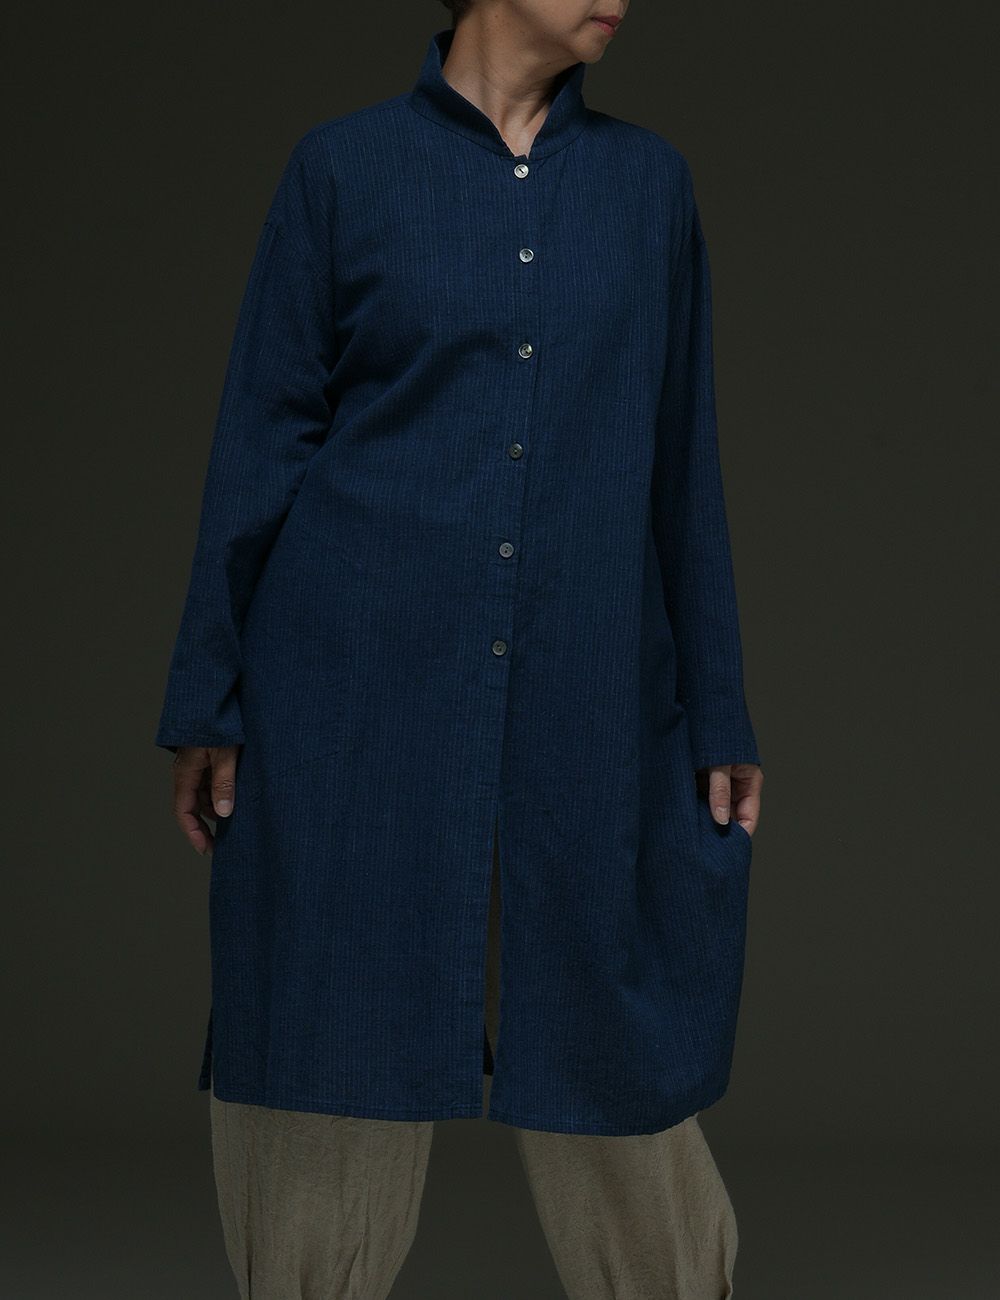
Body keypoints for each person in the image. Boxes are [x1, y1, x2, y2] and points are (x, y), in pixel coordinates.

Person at [155, 1, 765, 1295]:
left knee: (607, 1026)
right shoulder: (343, 170)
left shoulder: (650, 187)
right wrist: (207, 694)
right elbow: (262, 437)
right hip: (352, 682)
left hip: (587, 687)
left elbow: (683, 463)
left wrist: (720, 707)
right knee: (331, 1024)